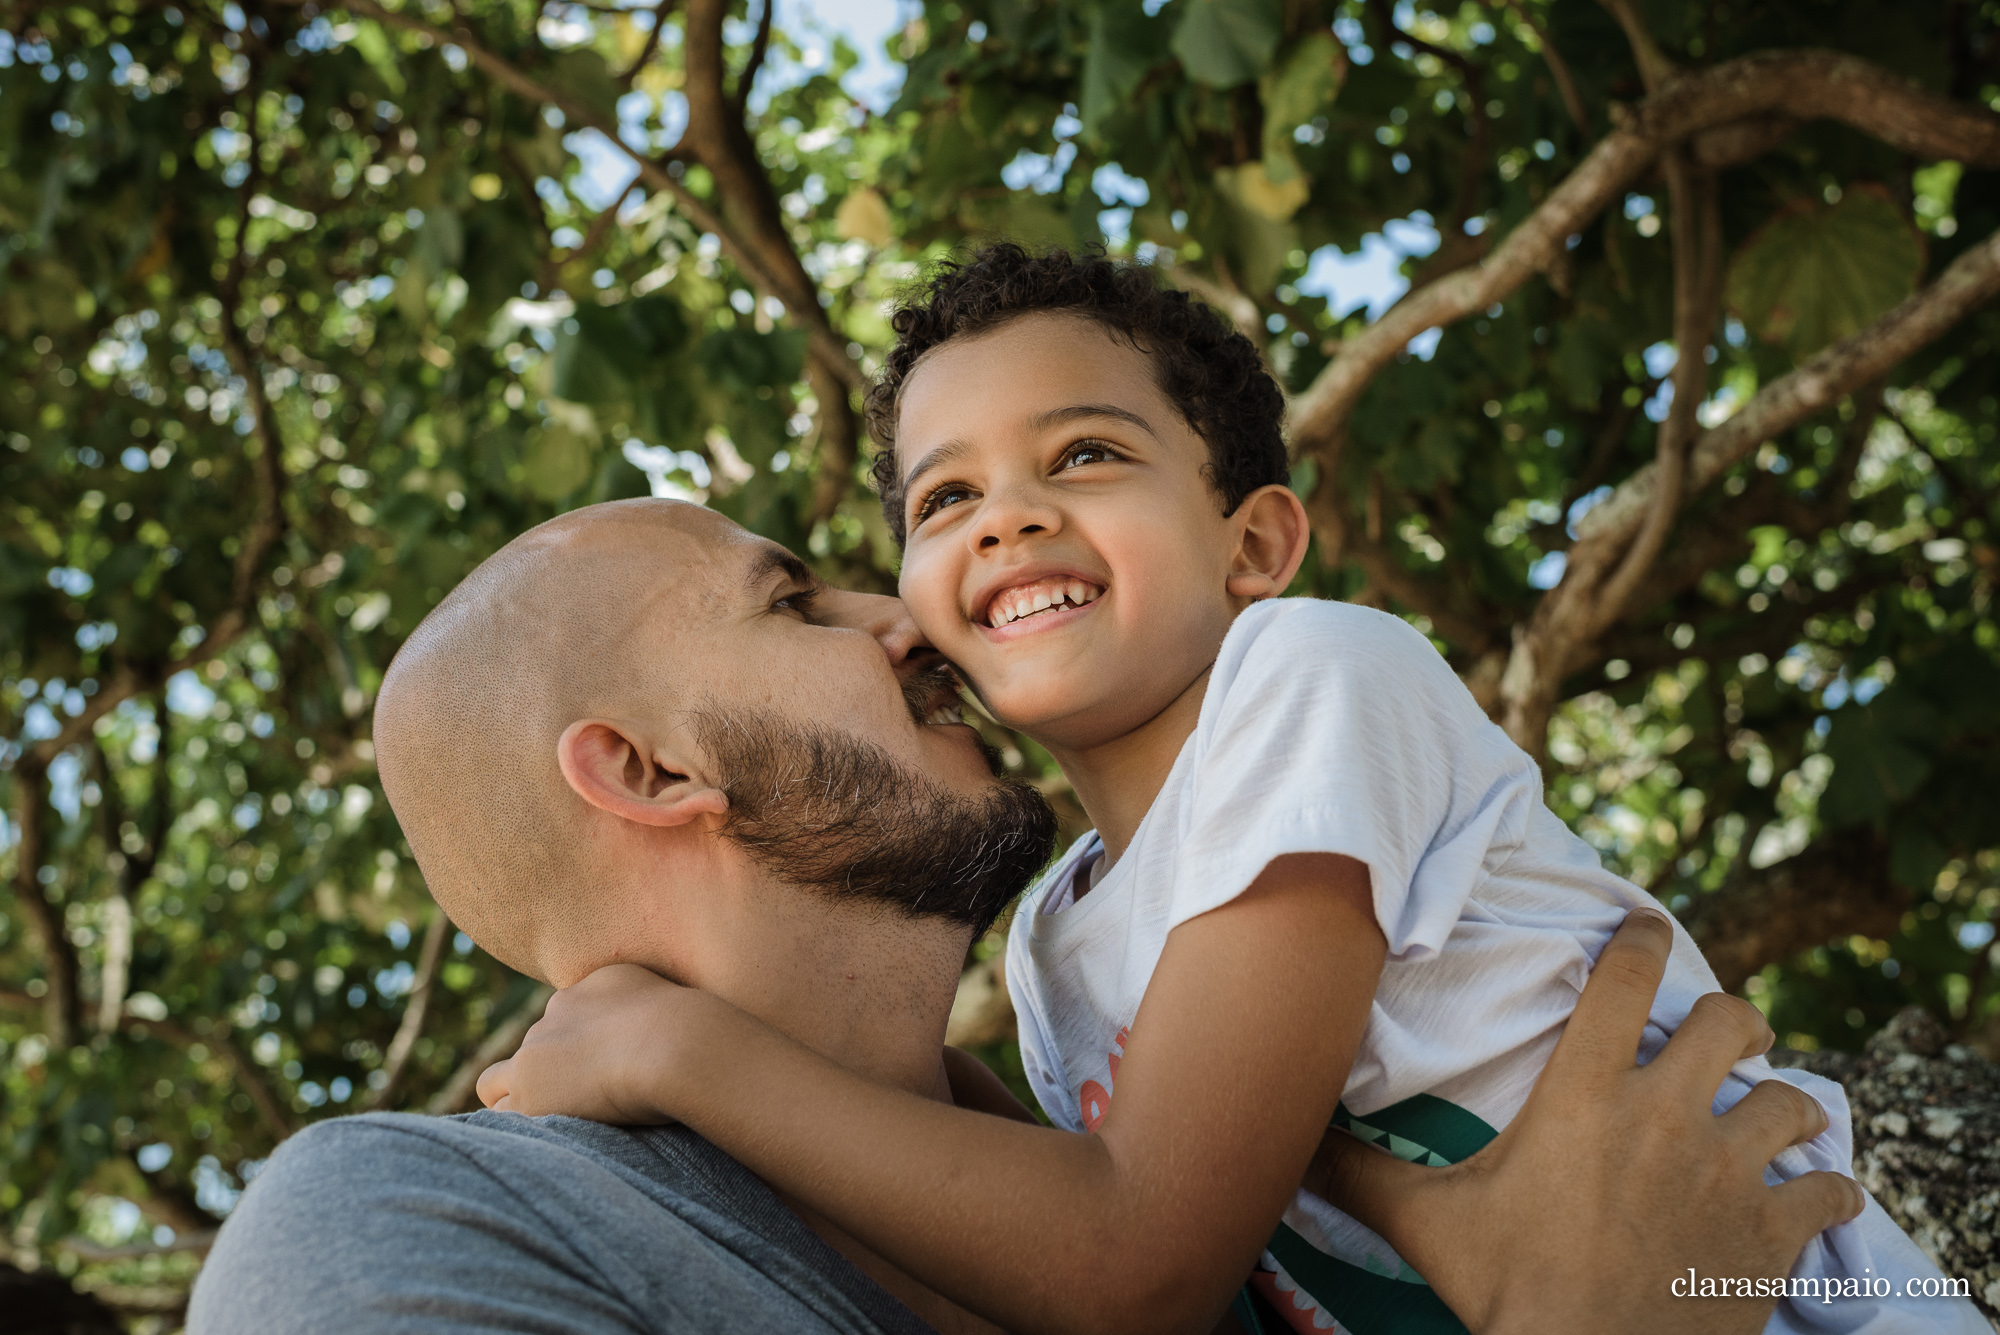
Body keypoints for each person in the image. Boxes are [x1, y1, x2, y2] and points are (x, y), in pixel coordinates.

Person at [481, 251, 1981, 1335]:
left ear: (1254, 548)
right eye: (945, 499)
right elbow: (1060, 1218)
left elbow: (1136, 1260)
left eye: (1085, 452)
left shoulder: (1316, 679)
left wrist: (683, 1053)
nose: (1009, 514)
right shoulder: (1053, 942)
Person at [190, 500, 1853, 1335]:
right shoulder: (393, 1222)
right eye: (793, 599)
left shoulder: (1229, 1223)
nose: (904, 617)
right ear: (644, 767)